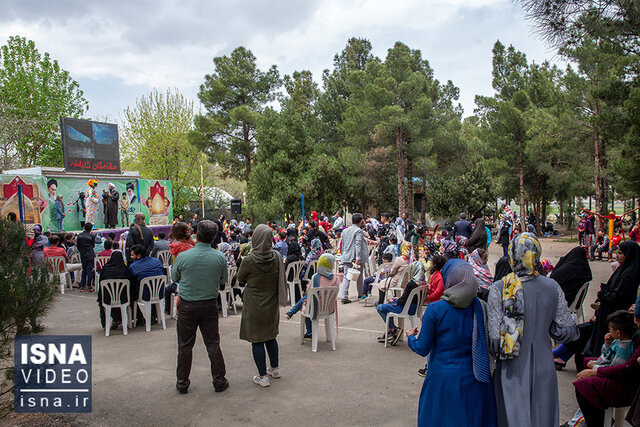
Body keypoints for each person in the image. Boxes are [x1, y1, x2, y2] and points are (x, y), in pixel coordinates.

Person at [488, 232, 578, 427]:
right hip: (544, 361)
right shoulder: (552, 286)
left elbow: (494, 339)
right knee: (543, 418)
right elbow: (567, 329)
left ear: (512, 254)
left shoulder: (499, 288)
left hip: (512, 365)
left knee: (512, 417)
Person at [406, 259, 496, 427]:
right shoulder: (480, 307)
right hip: (476, 378)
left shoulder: (436, 309)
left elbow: (422, 347)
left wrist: (411, 337)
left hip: (442, 380)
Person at [171, 220, 229, 394]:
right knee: (213, 344)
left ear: (197, 234)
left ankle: (182, 383)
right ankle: (219, 381)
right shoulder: (219, 257)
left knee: (184, 345)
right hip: (209, 305)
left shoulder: (183, 256)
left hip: (187, 305)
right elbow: (222, 281)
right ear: (213, 238)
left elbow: (175, 277)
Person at [237, 224, 287, 387]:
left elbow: (240, 279)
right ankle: (275, 368)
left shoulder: (250, 260)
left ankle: (262, 376)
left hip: (254, 304)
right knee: (270, 336)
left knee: (257, 339)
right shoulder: (277, 256)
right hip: (271, 303)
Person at [583, 241, 640, 358]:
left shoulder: (629, 274)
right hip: (609, 311)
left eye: (620, 253)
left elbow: (618, 297)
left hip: (615, 314)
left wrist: (604, 294)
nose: (617, 256)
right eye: (617, 253)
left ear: (628, 255)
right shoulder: (623, 269)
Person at [284, 253, 339, 338]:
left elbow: (309, 292)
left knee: (306, 302)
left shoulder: (315, 278)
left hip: (314, 308)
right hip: (329, 308)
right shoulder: (336, 279)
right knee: (308, 299)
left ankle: (309, 332)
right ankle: (292, 312)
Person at [377, 261, 424, 345]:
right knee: (385, 306)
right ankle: (391, 330)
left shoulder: (411, 284)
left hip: (406, 308)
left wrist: (395, 300)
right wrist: (398, 299)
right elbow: (407, 298)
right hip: (414, 307)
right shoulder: (422, 283)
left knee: (380, 307)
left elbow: (402, 301)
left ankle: (393, 329)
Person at [128, 244, 165, 324]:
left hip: (144, 295)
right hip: (160, 292)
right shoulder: (157, 261)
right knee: (151, 287)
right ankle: (153, 315)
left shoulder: (133, 267)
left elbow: (132, 282)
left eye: (132, 255)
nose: (131, 257)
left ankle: (139, 317)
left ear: (138, 256)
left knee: (129, 295)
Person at [339, 213, 368, 304]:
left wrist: (343, 255)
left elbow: (343, 244)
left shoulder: (345, 231)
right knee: (359, 276)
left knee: (346, 277)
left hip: (346, 256)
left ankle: (344, 296)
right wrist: (358, 257)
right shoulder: (358, 231)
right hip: (355, 257)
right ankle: (360, 294)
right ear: (359, 222)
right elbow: (358, 244)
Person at [97, 251, 130, 329]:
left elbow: (101, 283)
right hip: (123, 298)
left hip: (107, 298)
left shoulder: (106, 268)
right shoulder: (125, 269)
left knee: (102, 301)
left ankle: (105, 324)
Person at [76, 222, 96, 291]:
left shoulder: (79, 236)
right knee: (89, 269)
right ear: (91, 229)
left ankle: (82, 285)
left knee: (84, 269)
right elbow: (93, 245)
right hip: (90, 254)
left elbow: (78, 246)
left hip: (83, 254)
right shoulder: (92, 236)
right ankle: (88, 285)